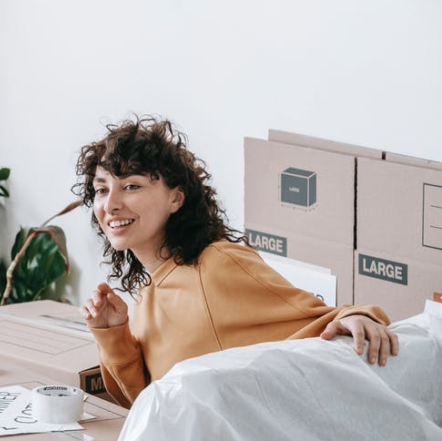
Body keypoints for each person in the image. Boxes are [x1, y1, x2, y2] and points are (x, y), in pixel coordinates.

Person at [75, 117, 397, 408]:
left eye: (131, 186)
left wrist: (359, 315)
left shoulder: (215, 266)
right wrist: (114, 333)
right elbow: (152, 408)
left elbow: (317, 320)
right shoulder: (147, 297)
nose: (111, 204)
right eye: (102, 190)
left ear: (176, 197)